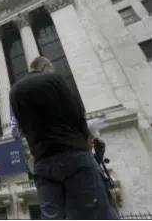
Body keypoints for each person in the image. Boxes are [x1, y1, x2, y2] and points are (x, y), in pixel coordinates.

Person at [9, 56, 119, 219]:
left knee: (52, 216)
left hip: (42, 163)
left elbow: (21, 128)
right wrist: (85, 138)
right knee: (94, 213)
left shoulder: (14, 91)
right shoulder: (55, 80)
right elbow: (77, 112)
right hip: (73, 156)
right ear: (45, 68)